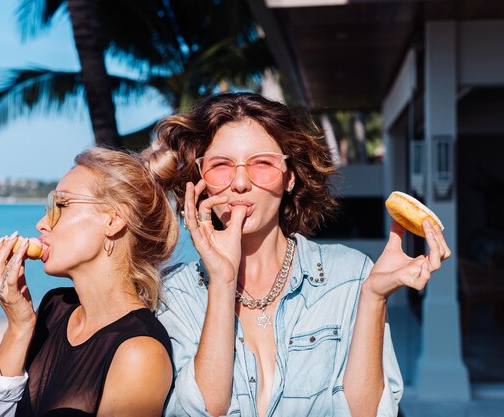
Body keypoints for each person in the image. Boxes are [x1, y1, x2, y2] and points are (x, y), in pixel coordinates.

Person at [142, 92, 451, 417]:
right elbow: (200, 411)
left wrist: (373, 297)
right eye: (221, 165)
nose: (241, 183)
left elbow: (367, 413)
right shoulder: (174, 294)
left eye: (262, 163)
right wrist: (221, 281)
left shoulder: (351, 275)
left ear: (289, 177)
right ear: (200, 179)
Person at [0, 148, 179, 417]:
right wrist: (19, 327)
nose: (42, 223)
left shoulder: (139, 353)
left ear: (114, 220)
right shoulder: (55, 307)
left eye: (61, 206)